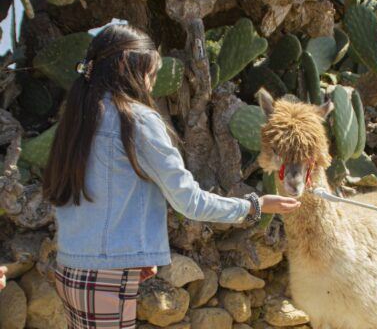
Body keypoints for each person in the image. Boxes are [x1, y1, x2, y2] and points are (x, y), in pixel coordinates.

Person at [42, 24, 300, 329]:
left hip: (73, 268)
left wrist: (136, 252)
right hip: (105, 280)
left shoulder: (80, 117)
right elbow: (189, 202)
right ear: (128, 67)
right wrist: (255, 206)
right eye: (151, 74)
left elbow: (93, 199)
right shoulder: (136, 120)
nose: (151, 84)